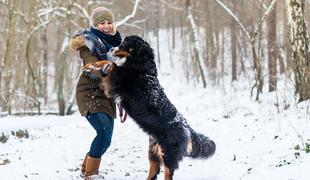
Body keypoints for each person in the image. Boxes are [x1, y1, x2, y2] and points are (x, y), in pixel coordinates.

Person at [69, 7, 122, 179]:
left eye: (109, 22)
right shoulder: (88, 43)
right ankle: (91, 174)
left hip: (107, 97)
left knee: (107, 140)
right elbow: (91, 66)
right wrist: (103, 69)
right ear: (95, 24)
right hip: (89, 93)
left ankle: (86, 167)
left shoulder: (114, 45)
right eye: (101, 23)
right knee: (103, 133)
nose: (106, 26)